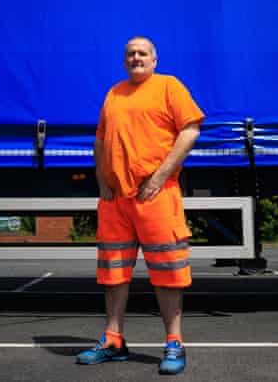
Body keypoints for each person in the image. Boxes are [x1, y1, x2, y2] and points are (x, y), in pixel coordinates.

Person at [76, 36, 204, 375]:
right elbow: (101, 140)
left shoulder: (168, 87)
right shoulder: (114, 93)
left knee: (167, 275)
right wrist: (103, 182)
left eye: (142, 53)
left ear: (155, 59)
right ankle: (113, 340)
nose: (136, 58)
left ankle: (174, 343)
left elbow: (190, 131)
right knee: (113, 274)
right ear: (124, 60)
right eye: (130, 54)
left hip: (156, 196)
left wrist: (160, 176)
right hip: (116, 201)